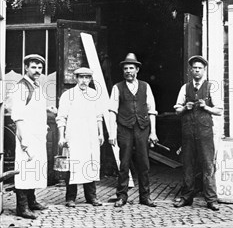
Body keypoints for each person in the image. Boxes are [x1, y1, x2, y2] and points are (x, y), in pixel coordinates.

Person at [108, 52, 158, 208]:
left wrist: (153, 132)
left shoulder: (145, 86)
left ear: (137, 70)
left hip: (142, 128)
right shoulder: (117, 88)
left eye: (131, 68)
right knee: (124, 163)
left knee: (144, 163)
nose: (128, 71)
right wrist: (112, 133)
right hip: (124, 128)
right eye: (125, 68)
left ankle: (145, 196)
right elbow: (112, 111)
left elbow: (152, 110)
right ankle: (121, 196)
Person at [173, 55, 222, 211]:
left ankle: (211, 199)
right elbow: (177, 110)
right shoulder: (184, 88)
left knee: (208, 165)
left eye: (200, 68)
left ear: (204, 70)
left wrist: (206, 107)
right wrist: (184, 108)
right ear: (191, 70)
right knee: (188, 165)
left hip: (205, 132)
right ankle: (186, 197)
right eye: (194, 68)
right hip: (188, 132)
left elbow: (219, 111)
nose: (197, 71)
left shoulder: (210, 87)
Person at [56, 67, 104, 207]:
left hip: (90, 136)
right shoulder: (68, 95)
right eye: (81, 77)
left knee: (90, 163)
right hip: (75, 136)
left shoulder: (94, 94)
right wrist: (61, 136)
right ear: (76, 78)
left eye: (87, 77)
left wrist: (100, 133)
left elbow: (98, 116)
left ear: (90, 79)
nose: (84, 80)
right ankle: (70, 198)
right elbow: (61, 117)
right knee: (74, 165)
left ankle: (91, 197)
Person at [10, 54, 48, 219]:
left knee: (34, 169)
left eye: (40, 67)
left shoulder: (36, 86)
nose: (37, 70)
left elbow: (35, 110)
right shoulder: (21, 87)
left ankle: (32, 201)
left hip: (37, 135)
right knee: (24, 170)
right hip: (26, 135)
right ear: (26, 68)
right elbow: (18, 115)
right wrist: (24, 139)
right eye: (33, 67)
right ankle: (22, 207)